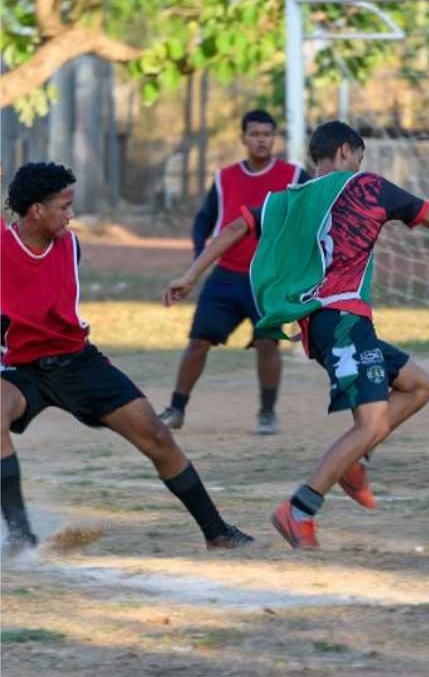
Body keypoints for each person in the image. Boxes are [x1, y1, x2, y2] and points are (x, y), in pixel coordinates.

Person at [163, 121, 429, 549]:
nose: (360, 166)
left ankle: (350, 461)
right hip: (342, 319)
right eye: (359, 157)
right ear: (347, 151)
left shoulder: (289, 197)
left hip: (325, 323)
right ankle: (300, 510)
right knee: (373, 421)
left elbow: (233, 229)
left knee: (418, 385)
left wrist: (189, 275)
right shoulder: (367, 187)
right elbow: (428, 214)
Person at [1, 162, 253, 556]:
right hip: (19, 369)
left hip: (75, 360)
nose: (72, 214)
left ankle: (217, 532)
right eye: (64, 206)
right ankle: (20, 536)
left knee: (156, 434)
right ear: (36, 210)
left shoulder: (71, 245)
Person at [158, 110, 309, 435]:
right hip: (226, 277)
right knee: (197, 342)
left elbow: (313, 221)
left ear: (274, 138)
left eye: (267, 134)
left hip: (269, 282)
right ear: (243, 138)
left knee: (268, 344)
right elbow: (204, 220)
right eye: (255, 134)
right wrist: (200, 257)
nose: (261, 140)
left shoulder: (296, 176)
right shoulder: (225, 178)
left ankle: (267, 412)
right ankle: (176, 408)